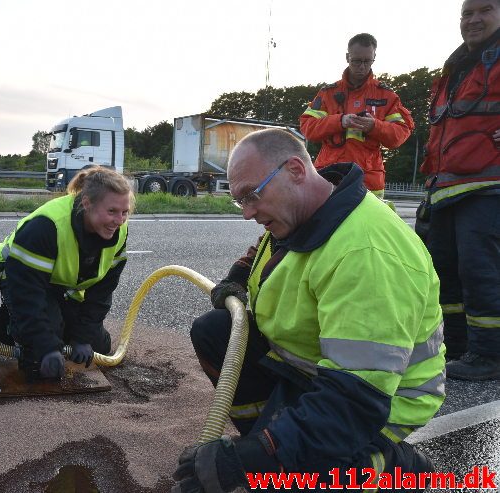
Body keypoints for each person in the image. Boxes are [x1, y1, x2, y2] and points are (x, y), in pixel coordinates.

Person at [172, 129, 444, 493]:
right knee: (214, 330)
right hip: (314, 370)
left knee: (286, 470)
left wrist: (253, 459)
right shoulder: (305, 212)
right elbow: (269, 248)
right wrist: (237, 276)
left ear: (296, 170)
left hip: (380, 401)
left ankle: (395, 465)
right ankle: (277, 438)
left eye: (252, 196)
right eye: (241, 201)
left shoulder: (366, 254)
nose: (247, 213)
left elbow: (355, 399)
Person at [0, 165, 133, 379]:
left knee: (99, 345)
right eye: (111, 211)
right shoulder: (46, 227)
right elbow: (27, 295)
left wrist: (82, 338)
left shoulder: (118, 230)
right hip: (19, 275)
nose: (119, 221)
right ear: (86, 203)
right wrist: (46, 347)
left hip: (59, 281)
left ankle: (52, 325)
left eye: (124, 212)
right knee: (38, 363)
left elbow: (102, 292)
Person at [420, 0, 500, 380]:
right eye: (467, 13)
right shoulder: (457, 67)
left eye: (485, 10)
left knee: (480, 270)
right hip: (447, 186)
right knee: (444, 273)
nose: (473, 20)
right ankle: (458, 347)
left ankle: (490, 353)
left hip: (488, 188)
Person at [300, 33, 415, 198]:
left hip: (368, 180)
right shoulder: (328, 93)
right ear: (347, 57)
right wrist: (340, 121)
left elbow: (400, 134)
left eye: (367, 61)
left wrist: (374, 126)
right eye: (357, 61)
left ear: (374, 57)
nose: (362, 66)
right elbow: (307, 128)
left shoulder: (386, 95)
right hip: (329, 177)